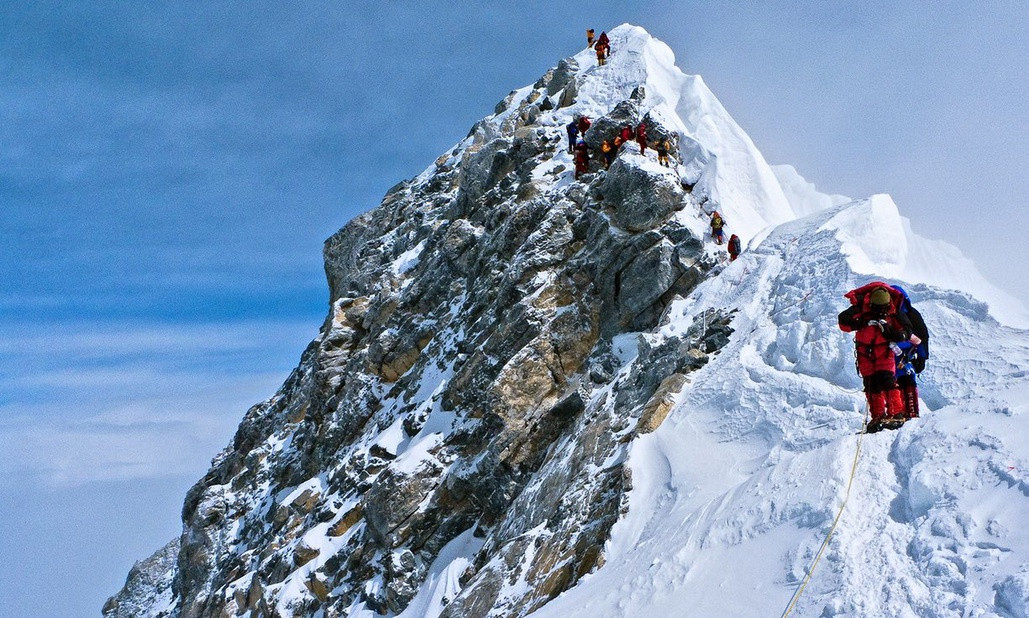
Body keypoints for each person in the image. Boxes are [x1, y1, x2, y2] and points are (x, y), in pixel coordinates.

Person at [838, 283, 922, 433]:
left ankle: (896, 414)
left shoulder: (894, 310)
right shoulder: (862, 308)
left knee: (888, 381)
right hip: (865, 353)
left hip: (884, 352)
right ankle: (878, 416)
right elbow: (843, 321)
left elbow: (907, 332)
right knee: (871, 385)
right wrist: (863, 322)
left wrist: (891, 333)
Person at [890, 285, 930, 419]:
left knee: (900, 381)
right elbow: (922, 336)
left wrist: (922, 358)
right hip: (903, 354)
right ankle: (909, 413)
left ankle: (901, 413)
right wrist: (922, 358)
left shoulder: (903, 315)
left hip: (896, 356)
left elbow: (922, 337)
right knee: (905, 380)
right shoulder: (911, 314)